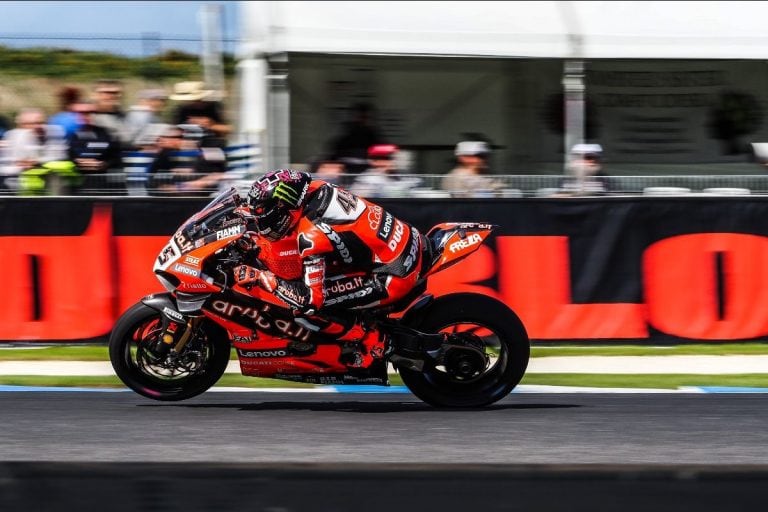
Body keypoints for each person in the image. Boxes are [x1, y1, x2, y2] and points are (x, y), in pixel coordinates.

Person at [232, 169, 425, 367]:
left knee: (302, 306)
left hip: (393, 274)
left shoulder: (311, 235)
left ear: (285, 206)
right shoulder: (316, 188)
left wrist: (263, 278)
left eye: (266, 215)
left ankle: (376, 341)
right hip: (404, 242)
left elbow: (311, 300)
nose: (262, 222)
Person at [1, 108, 70, 193]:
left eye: (41, 122)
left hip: (52, 183)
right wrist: (20, 167)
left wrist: (36, 162)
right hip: (19, 186)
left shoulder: (55, 132)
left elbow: (61, 156)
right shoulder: (11, 136)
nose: (37, 126)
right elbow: (4, 166)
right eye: (30, 124)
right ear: (20, 126)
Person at [146, 124, 226, 196]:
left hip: (201, 194)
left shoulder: (211, 152)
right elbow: (151, 179)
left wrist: (178, 188)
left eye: (165, 137)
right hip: (176, 193)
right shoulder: (166, 154)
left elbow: (214, 177)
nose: (161, 140)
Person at [349, 143, 414, 198]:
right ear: (375, 161)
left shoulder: (396, 176)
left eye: (395, 158)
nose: (394, 161)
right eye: (389, 158)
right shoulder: (367, 179)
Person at [90, 79, 128, 146]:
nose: (111, 96)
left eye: (115, 93)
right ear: (94, 95)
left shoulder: (125, 117)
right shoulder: (87, 117)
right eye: (106, 92)